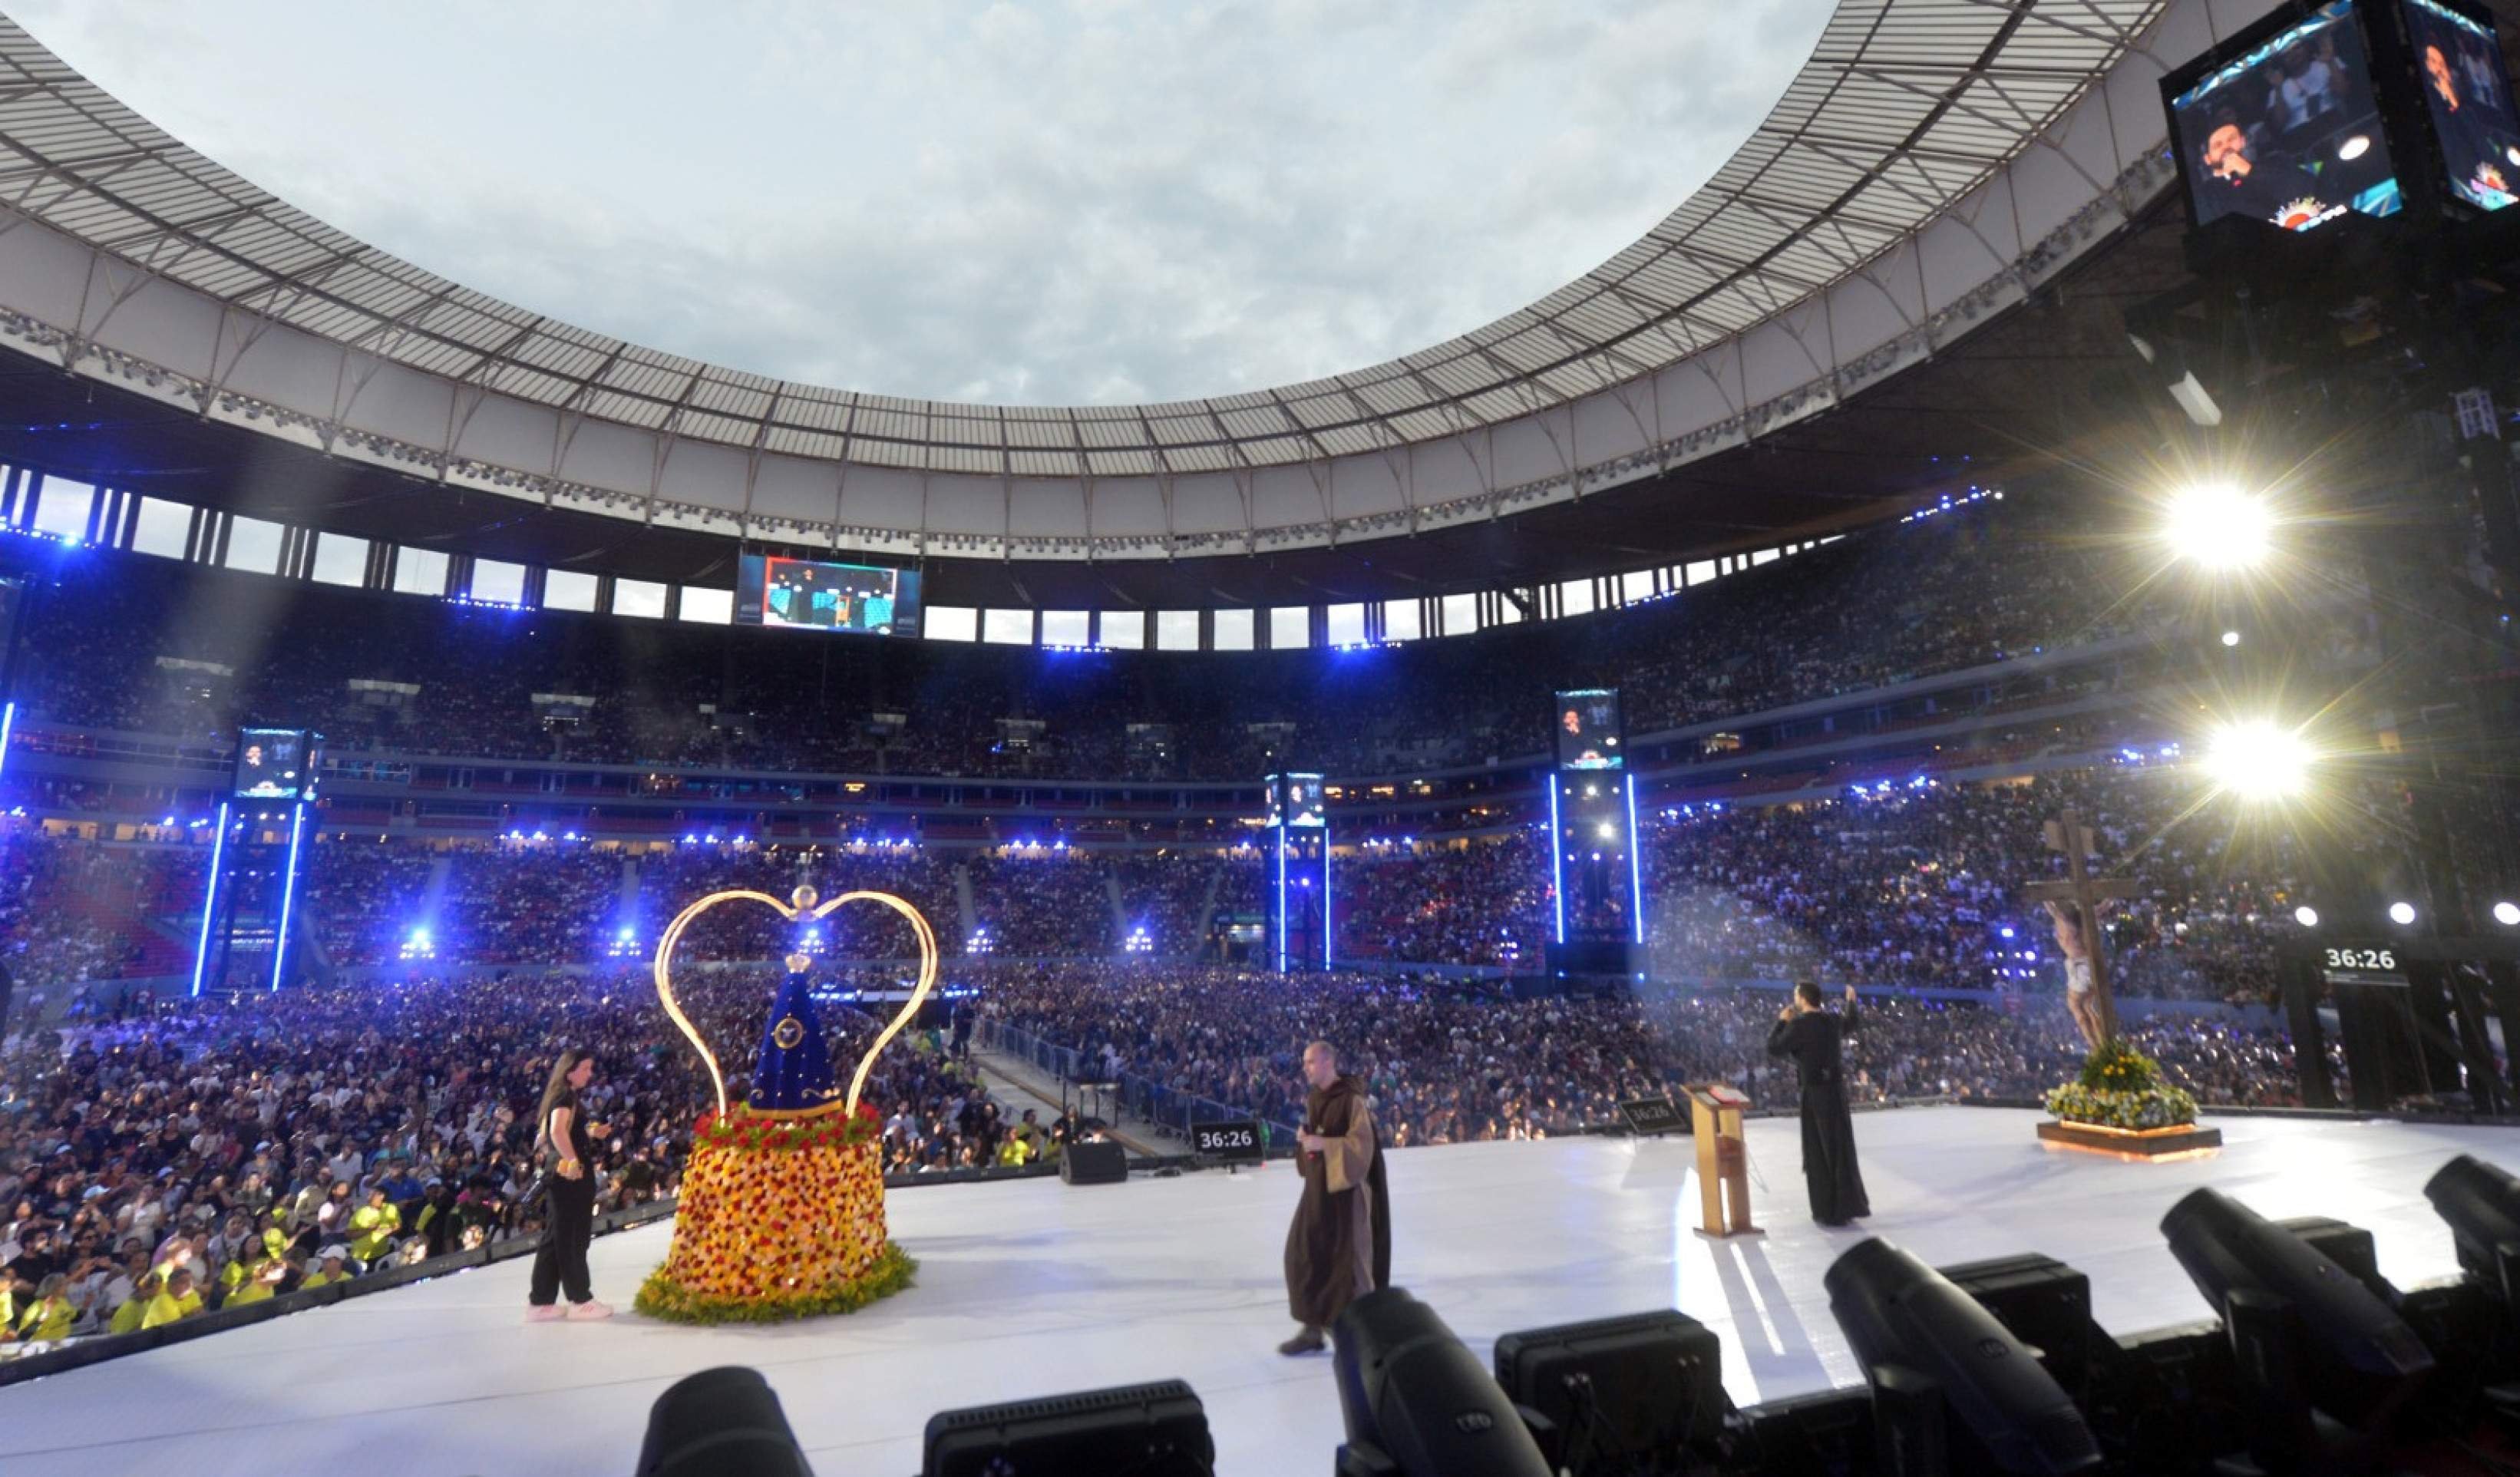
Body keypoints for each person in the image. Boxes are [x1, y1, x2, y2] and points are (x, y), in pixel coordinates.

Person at [1280, 1039, 1390, 1356]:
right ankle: (1313, 1328)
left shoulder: (1352, 1100)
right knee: (1303, 1255)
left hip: (1346, 1197)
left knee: (1349, 1267)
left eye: (1311, 1062)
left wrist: (1321, 1143)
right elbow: (1318, 1138)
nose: (1306, 1068)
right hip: (1317, 1192)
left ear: (1328, 1062)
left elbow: (1361, 1148)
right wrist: (1306, 1141)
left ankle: (1361, 1334)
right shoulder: (1316, 1096)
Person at [1766, 982, 1871, 1227]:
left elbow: (1774, 1048)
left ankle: (1827, 1208)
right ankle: (1847, 1205)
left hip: (1814, 1094)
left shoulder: (1798, 1026)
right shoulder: (1832, 1022)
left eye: (1795, 995)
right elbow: (1851, 1022)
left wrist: (1781, 1022)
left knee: (1818, 1150)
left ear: (1802, 999)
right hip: (1836, 1092)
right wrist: (1852, 1001)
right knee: (1840, 1147)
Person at [526, 1049, 610, 1322]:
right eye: (585, 1068)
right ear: (570, 1070)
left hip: (559, 1173)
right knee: (572, 1236)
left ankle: (541, 1301)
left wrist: (590, 1132)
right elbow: (555, 1131)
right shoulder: (564, 1096)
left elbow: (563, 1128)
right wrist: (573, 1160)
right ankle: (579, 1299)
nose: (590, 1073)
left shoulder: (563, 1096)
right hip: (569, 1174)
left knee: (556, 1236)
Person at [2045, 900, 2106, 1046]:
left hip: (2083, 964)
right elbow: (2050, 906)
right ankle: (2099, 1043)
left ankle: (2096, 1044)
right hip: (2076, 964)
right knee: (2086, 1006)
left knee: (2075, 1004)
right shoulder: (2061, 917)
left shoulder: (2079, 918)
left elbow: (2103, 908)